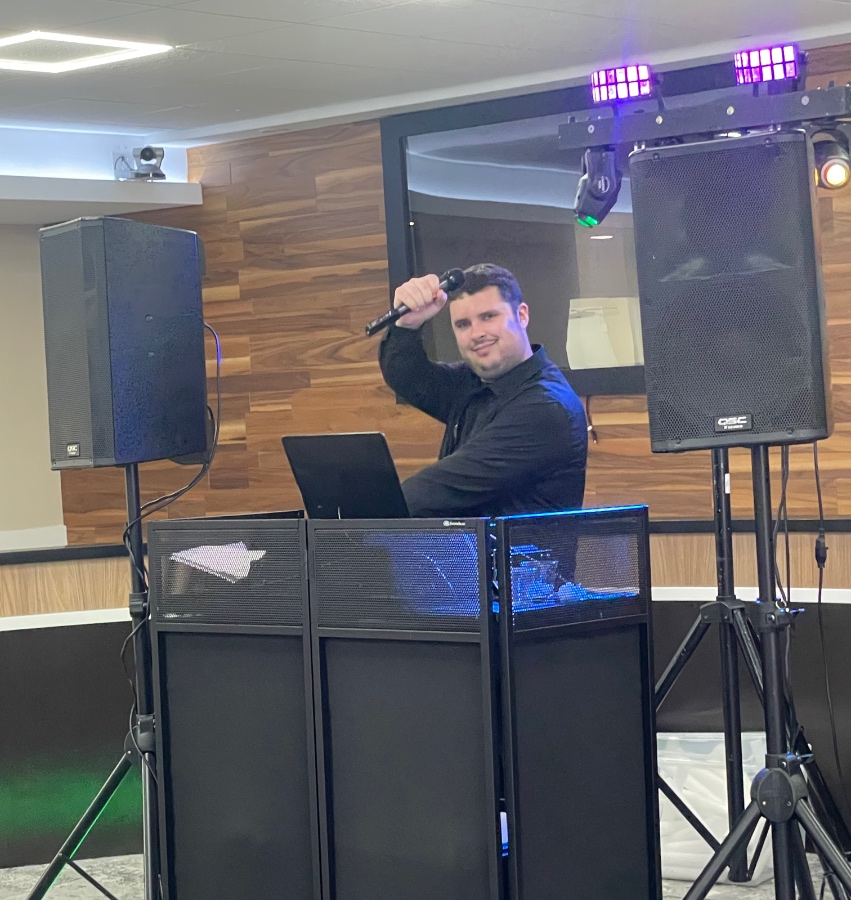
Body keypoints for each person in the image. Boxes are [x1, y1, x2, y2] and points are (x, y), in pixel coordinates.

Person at [379, 263, 588, 518]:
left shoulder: (546, 408)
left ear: (522, 315)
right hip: (465, 545)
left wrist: (365, 516)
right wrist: (407, 324)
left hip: (512, 547)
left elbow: (437, 490)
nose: (476, 333)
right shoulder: (473, 383)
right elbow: (407, 376)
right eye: (463, 324)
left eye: (488, 317)